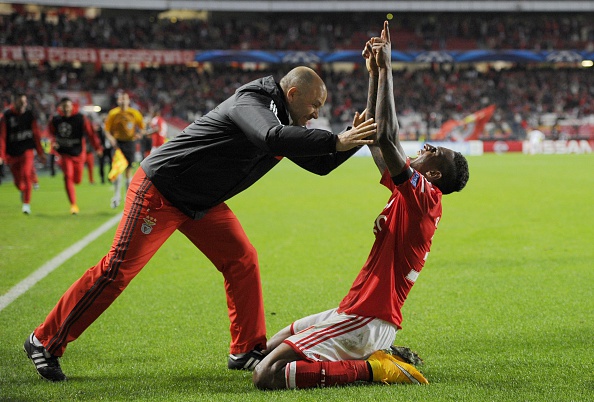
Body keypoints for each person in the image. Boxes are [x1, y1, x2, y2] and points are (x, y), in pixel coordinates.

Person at [23, 65, 377, 382]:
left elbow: (320, 164)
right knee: (117, 270)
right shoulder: (253, 100)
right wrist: (335, 139)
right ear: (293, 93)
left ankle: (246, 350)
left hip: (199, 200)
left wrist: (351, 138)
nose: (317, 114)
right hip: (162, 189)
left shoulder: (285, 120)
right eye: (314, 105)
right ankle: (44, 340)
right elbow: (269, 137)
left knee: (242, 258)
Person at [252, 21, 470, 390]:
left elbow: (387, 136)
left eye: (435, 152)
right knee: (261, 354)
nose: (427, 147)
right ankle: (375, 353)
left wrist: (387, 68)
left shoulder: (425, 198)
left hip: (370, 317)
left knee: (267, 376)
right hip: (354, 311)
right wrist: (373, 74)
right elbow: (375, 135)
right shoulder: (410, 195)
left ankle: (378, 369)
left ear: (434, 177)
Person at [48, 97, 103, 215]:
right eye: (64, 106)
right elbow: (51, 133)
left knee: (77, 180)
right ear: (60, 108)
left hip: (78, 153)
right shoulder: (55, 119)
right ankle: (73, 205)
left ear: (72, 106)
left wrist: (97, 147)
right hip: (64, 153)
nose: (66, 109)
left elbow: (91, 134)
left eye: (68, 106)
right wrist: (54, 143)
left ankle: (74, 196)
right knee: (68, 176)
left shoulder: (80, 118)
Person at [0, 93, 47, 214]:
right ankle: (23, 190)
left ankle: (26, 204)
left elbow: (36, 134)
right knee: (17, 182)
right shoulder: (6, 116)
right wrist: (1, 155)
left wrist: (41, 153)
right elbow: (2, 137)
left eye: (25, 102)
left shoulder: (29, 115)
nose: (23, 105)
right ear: (14, 102)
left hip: (27, 150)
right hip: (12, 153)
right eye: (21, 102)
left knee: (27, 174)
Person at [103, 92, 145, 208]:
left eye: (124, 99)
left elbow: (142, 127)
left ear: (128, 101)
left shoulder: (134, 113)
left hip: (130, 143)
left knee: (128, 170)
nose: (122, 101)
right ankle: (116, 196)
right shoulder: (113, 113)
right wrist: (111, 139)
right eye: (120, 99)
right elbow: (106, 129)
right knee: (117, 169)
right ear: (118, 101)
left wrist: (139, 134)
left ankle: (128, 198)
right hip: (117, 144)